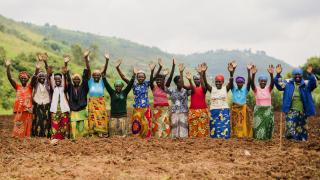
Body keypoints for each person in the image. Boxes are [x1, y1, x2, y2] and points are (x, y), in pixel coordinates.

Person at [274, 64, 317, 141]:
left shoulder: (306, 84)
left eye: (299, 75)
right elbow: (279, 84)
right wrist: (278, 74)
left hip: (303, 111)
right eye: (295, 75)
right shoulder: (288, 83)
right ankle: (291, 142)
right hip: (291, 110)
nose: (297, 76)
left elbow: (314, 83)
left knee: (301, 128)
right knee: (290, 126)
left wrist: (310, 74)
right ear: (293, 76)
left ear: (301, 75)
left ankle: (300, 144)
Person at [116, 59, 153, 138]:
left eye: (142, 77)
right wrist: (117, 68)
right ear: (137, 77)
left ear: (145, 77)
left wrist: (153, 70)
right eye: (139, 77)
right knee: (137, 124)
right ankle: (136, 138)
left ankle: (146, 138)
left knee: (146, 124)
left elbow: (154, 78)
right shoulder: (134, 84)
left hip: (146, 108)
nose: (140, 78)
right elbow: (124, 77)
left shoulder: (147, 83)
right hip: (137, 108)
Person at [102, 60, 136, 137]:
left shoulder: (125, 92)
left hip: (122, 116)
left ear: (122, 86)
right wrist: (103, 76)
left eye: (119, 86)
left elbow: (130, 84)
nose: (118, 87)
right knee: (112, 135)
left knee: (123, 135)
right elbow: (106, 84)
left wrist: (134, 75)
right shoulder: (112, 92)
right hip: (113, 116)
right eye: (116, 86)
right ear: (114, 86)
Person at [202, 62, 234, 139]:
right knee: (215, 127)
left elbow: (231, 82)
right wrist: (204, 72)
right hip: (214, 111)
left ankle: (225, 142)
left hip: (224, 111)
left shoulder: (225, 88)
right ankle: (215, 142)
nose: (218, 83)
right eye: (216, 81)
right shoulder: (212, 89)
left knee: (224, 128)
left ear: (223, 82)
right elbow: (206, 83)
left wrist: (231, 73)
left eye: (219, 81)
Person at [5, 59, 35, 138]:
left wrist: (37, 68)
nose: (23, 79)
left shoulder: (30, 87)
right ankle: (17, 137)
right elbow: (10, 78)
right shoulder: (17, 86)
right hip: (19, 109)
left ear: (28, 79)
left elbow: (34, 78)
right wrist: (8, 66)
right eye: (22, 78)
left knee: (27, 124)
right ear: (19, 79)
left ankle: (26, 137)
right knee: (18, 123)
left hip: (28, 110)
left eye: (25, 78)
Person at [65, 51, 91, 139]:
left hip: (82, 111)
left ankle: (81, 143)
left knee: (82, 128)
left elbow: (86, 76)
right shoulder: (70, 88)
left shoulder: (84, 87)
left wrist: (86, 60)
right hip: (73, 111)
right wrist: (66, 64)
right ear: (73, 80)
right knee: (73, 128)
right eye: (74, 79)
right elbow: (67, 77)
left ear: (80, 80)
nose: (76, 80)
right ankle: (74, 141)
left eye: (78, 79)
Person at [150, 58, 175, 138]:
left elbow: (170, 78)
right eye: (157, 80)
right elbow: (151, 80)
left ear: (163, 80)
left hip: (164, 108)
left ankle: (165, 137)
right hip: (157, 108)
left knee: (165, 123)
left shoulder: (165, 87)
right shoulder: (153, 87)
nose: (159, 81)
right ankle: (157, 137)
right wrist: (152, 71)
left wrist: (173, 66)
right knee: (156, 124)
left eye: (160, 79)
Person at [183, 64, 210, 137]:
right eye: (195, 79)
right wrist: (182, 73)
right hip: (193, 111)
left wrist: (201, 74)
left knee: (203, 127)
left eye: (198, 79)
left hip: (203, 111)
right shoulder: (192, 88)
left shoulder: (204, 88)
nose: (197, 80)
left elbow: (204, 85)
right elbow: (183, 85)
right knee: (193, 128)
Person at [48, 56, 71, 144]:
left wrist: (65, 64)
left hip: (64, 110)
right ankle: (54, 140)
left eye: (59, 79)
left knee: (64, 126)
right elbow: (49, 77)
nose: (57, 80)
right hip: (54, 110)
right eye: (56, 79)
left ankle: (63, 140)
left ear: (61, 80)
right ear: (54, 80)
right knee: (55, 126)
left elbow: (65, 78)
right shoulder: (53, 89)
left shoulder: (63, 88)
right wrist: (47, 66)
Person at [87, 52, 109, 137]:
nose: (96, 76)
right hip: (92, 102)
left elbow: (104, 71)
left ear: (100, 76)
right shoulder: (90, 82)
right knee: (92, 117)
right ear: (92, 76)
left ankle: (102, 132)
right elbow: (88, 69)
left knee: (102, 116)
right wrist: (86, 60)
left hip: (100, 102)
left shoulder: (102, 82)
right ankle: (93, 133)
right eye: (94, 75)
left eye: (98, 75)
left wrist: (107, 60)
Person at [166, 64, 191, 138]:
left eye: (182, 81)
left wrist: (181, 72)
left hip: (184, 112)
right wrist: (172, 68)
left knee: (184, 129)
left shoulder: (186, 90)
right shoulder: (172, 90)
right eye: (179, 82)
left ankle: (184, 145)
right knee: (174, 130)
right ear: (176, 83)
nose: (181, 83)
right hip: (174, 112)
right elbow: (165, 87)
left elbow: (193, 90)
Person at [251, 64, 275, 140]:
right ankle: (258, 138)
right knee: (258, 126)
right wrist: (253, 74)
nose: (263, 82)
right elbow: (252, 84)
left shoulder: (268, 89)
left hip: (267, 111)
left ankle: (267, 138)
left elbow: (272, 84)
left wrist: (271, 74)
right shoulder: (256, 89)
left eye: (265, 81)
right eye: (261, 81)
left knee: (267, 125)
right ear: (259, 82)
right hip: (259, 111)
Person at [230, 63, 253, 138]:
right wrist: (232, 70)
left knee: (243, 122)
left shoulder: (245, 90)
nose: (239, 84)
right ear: (236, 83)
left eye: (241, 82)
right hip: (235, 108)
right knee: (235, 122)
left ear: (243, 83)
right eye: (238, 82)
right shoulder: (233, 89)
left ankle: (243, 134)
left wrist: (248, 71)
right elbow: (231, 80)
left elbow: (249, 82)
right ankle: (236, 134)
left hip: (243, 108)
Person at [31, 53, 51, 138]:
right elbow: (35, 76)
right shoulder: (35, 84)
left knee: (45, 119)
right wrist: (38, 66)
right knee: (37, 119)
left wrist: (45, 62)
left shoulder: (48, 83)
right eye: (40, 76)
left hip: (46, 104)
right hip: (37, 104)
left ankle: (44, 135)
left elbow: (49, 73)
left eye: (43, 76)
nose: (42, 77)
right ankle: (35, 135)